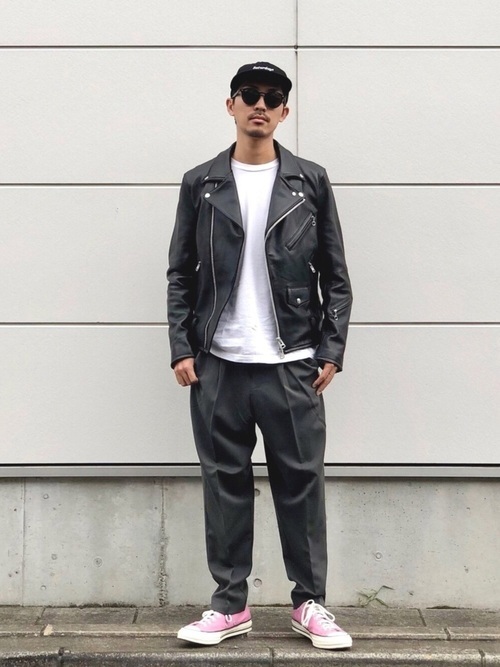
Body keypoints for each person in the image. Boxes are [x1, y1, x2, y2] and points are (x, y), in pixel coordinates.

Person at [167, 61, 353, 651]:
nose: (260, 105)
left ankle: (309, 603)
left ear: (284, 112)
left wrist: (330, 349)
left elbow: (336, 276)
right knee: (224, 484)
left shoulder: (309, 181)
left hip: (292, 362)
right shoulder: (201, 183)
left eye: (272, 98)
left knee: (302, 484)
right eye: (249, 94)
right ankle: (230, 605)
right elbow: (180, 273)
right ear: (231, 105)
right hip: (217, 363)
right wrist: (181, 347)